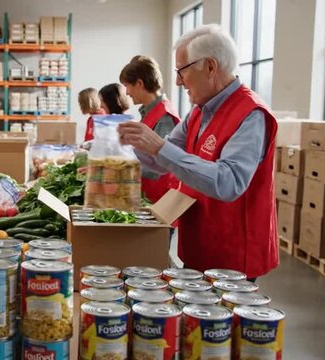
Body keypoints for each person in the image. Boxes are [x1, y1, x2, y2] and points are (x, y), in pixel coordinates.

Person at [118, 24, 278, 280]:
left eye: (182, 71)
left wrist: (159, 146)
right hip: (201, 243)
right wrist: (125, 151)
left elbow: (229, 182)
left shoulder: (251, 114)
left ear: (211, 67)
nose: (178, 81)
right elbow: (164, 161)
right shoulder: (200, 110)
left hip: (233, 255)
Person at [120, 55, 180, 202]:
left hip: (159, 200)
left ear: (139, 83)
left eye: (128, 86)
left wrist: (118, 167)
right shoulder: (149, 113)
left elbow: (160, 166)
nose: (127, 93)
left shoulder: (165, 116)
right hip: (148, 196)